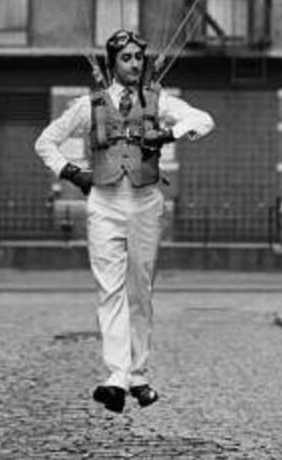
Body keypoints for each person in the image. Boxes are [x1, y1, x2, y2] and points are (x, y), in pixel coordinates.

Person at [34, 29, 215, 413]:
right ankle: (116, 375)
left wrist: (168, 133)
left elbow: (203, 119)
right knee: (109, 288)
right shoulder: (90, 105)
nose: (135, 65)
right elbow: (45, 141)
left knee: (140, 288)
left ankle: (140, 373)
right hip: (104, 201)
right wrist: (72, 172)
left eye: (139, 58)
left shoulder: (158, 100)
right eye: (127, 58)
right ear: (112, 63)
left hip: (145, 200)